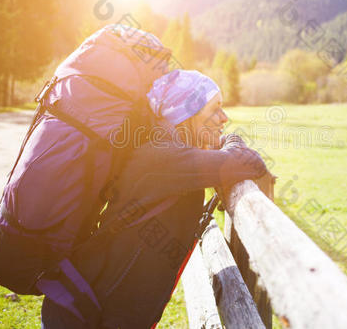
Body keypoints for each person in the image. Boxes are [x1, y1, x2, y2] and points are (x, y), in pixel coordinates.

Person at [40, 69, 268, 328]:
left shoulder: (166, 148)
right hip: (86, 314)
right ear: (187, 112)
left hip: (97, 309)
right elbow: (250, 163)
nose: (224, 117)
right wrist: (232, 140)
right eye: (214, 109)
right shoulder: (162, 156)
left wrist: (218, 144)